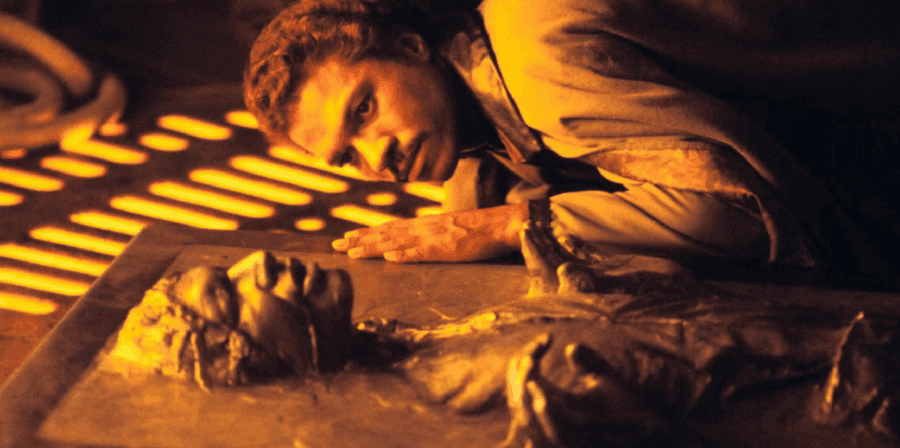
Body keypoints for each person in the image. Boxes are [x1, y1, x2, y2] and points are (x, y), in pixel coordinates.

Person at [242, 0, 897, 287]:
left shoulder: (539, 57)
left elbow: (742, 213)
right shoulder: (480, 100)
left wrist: (510, 226)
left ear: (412, 48)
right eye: (347, 156)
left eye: (363, 109)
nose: (376, 155)